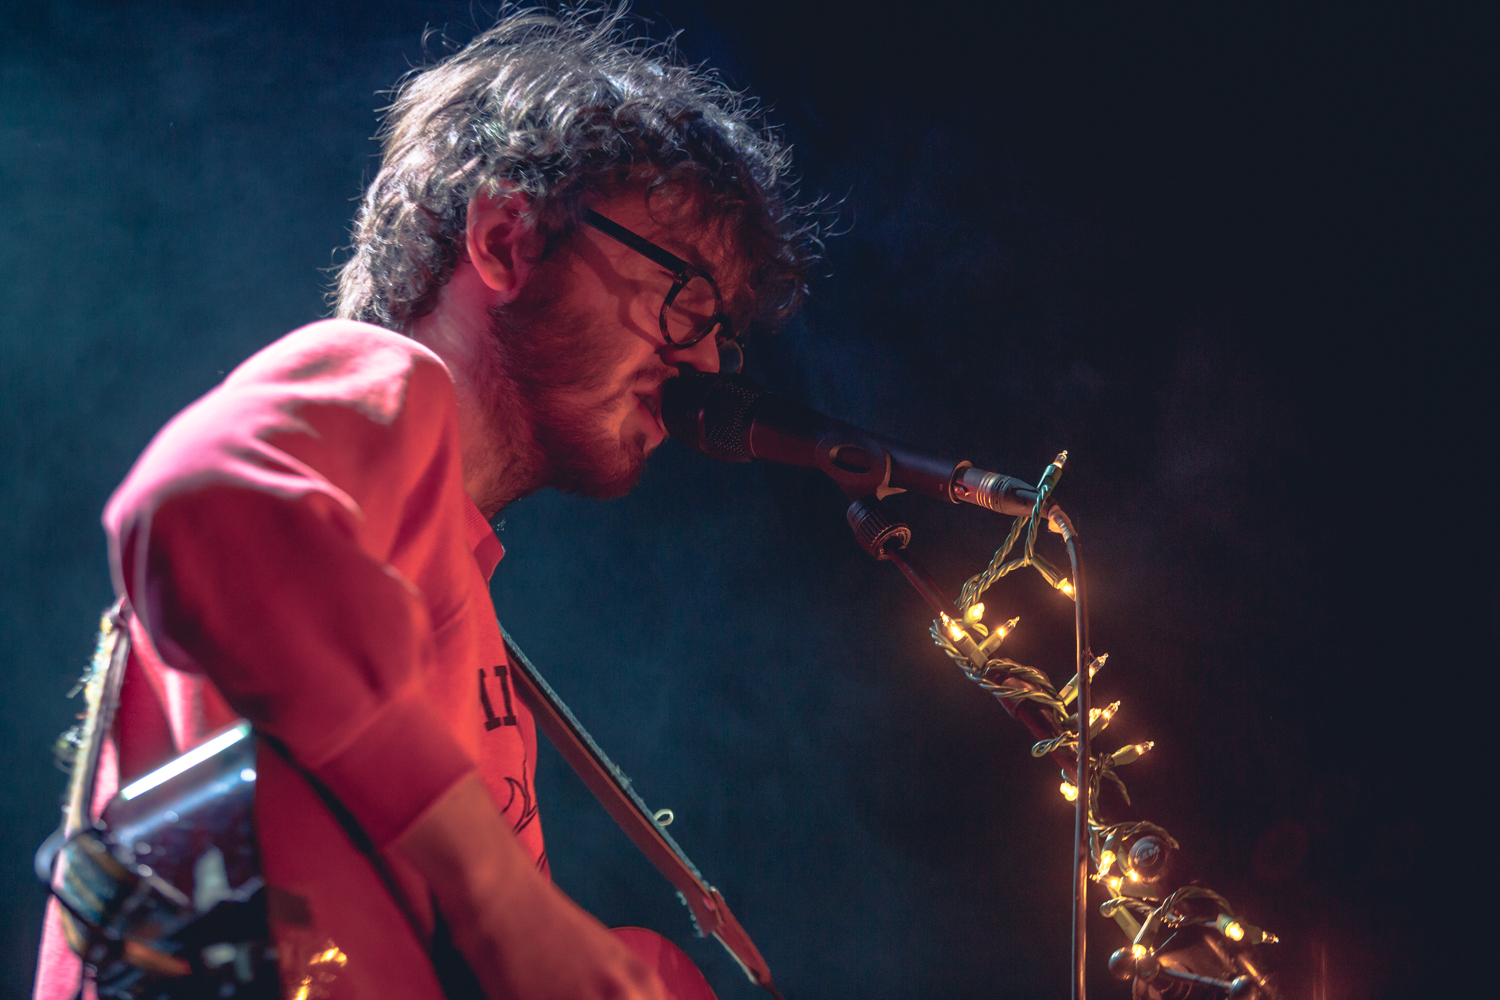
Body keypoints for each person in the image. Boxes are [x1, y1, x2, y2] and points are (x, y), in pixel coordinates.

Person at [34, 8, 811, 999]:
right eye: (684, 291)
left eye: (719, 328)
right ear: (504, 241)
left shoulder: (470, 631)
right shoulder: (378, 376)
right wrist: (502, 899)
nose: (704, 357)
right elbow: (198, 503)